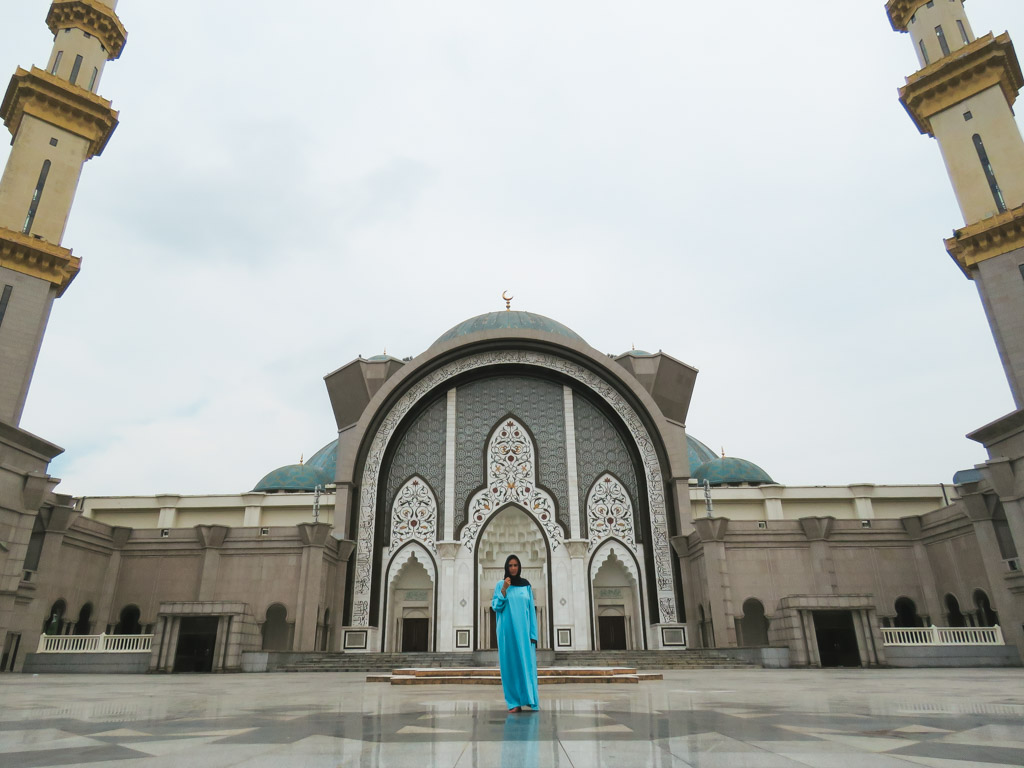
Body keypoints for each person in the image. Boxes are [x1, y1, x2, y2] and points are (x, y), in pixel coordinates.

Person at [491, 554, 539, 712]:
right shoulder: (501, 584)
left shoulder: (526, 586)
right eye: (510, 565)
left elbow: (531, 610)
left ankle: (530, 699)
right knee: (510, 666)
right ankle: (513, 702)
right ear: (506, 567)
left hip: (524, 633)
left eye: (515, 565)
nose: (513, 568)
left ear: (519, 567)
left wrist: (533, 634)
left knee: (526, 665)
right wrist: (504, 589)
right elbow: (496, 607)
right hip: (507, 632)